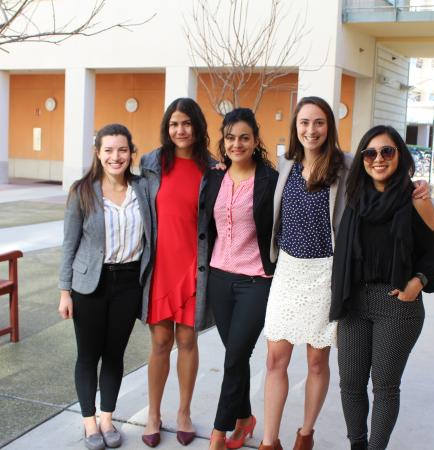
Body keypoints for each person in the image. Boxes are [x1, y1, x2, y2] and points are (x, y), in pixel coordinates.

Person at [259, 98, 430, 450]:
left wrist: (417, 188)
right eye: (304, 122)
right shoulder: (285, 164)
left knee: (317, 360)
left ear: (329, 126)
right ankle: (268, 440)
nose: (311, 130)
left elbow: (384, 180)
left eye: (319, 122)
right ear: (295, 126)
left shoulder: (348, 165)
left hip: (328, 272)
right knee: (275, 358)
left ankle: (305, 434)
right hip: (289, 271)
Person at [330, 125, 434, 450]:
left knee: (384, 386)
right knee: (350, 383)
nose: (378, 159)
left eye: (387, 151)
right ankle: (358, 444)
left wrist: (416, 283)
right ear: (363, 158)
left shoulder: (416, 200)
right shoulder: (354, 198)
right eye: (370, 152)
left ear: (400, 156)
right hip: (355, 301)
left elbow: (431, 255)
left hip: (397, 304)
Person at [58, 123, 151, 450]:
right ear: (98, 153)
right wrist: (65, 291)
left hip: (128, 283)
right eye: (109, 150)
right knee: (88, 355)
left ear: (131, 152)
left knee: (114, 354)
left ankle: (107, 418)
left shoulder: (143, 188)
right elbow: (69, 244)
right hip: (89, 285)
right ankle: (89, 422)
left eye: (122, 150)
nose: (116, 156)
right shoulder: (82, 191)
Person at [139, 97, 216, 448]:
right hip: (160, 267)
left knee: (187, 341)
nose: (180, 130)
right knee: (159, 342)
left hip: (194, 266)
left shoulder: (213, 169)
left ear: (198, 127)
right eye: (174, 124)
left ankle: (183, 412)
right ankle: (153, 414)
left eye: (186, 123)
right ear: (166, 128)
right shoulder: (151, 164)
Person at [204, 108, 279, 450]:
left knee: (234, 357)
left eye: (244, 137)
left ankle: (218, 434)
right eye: (230, 137)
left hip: (256, 281)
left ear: (255, 140)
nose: (237, 144)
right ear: (223, 140)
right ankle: (245, 417)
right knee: (237, 356)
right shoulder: (214, 177)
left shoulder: (270, 181)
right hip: (219, 279)